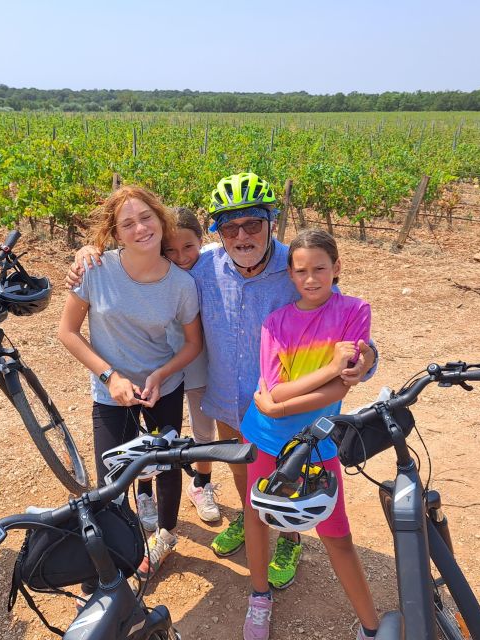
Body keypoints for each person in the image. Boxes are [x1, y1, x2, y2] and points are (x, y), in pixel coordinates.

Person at [65, 172, 377, 591]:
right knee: (240, 467)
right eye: (230, 227)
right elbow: (149, 259)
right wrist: (91, 251)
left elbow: (344, 317)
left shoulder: (294, 265)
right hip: (228, 397)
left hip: (285, 407)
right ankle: (252, 519)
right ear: (218, 232)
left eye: (253, 224)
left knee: (291, 472)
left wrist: (368, 359)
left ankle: (288, 537)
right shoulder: (202, 267)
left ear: (271, 222)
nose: (242, 235)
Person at [57, 185, 202, 579]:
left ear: (161, 219)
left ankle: (165, 538)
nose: (140, 228)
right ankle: (121, 547)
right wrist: (110, 375)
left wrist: (161, 374)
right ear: (116, 233)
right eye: (128, 223)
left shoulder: (181, 285)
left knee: (167, 467)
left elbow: (192, 344)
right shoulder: (95, 270)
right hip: (110, 393)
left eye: (146, 217)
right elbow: (67, 332)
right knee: (111, 477)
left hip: (162, 390)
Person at [240, 229, 379, 640]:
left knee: (336, 534)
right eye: (301, 271)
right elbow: (277, 388)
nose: (312, 278)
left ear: (336, 268)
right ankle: (259, 597)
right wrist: (331, 367)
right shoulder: (276, 322)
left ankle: (371, 627)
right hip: (264, 436)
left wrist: (283, 403)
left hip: (318, 441)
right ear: (291, 275)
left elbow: (341, 389)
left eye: (321, 268)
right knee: (257, 516)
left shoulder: (356, 310)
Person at [135, 207, 223, 528]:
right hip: (159, 361)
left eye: (188, 247)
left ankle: (201, 484)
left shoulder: (215, 260)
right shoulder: (149, 269)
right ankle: (145, 490)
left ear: (202, 241)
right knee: (155, 431)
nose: (180, 255)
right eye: (170, 249)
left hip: (199, 361)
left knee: (204, 428)